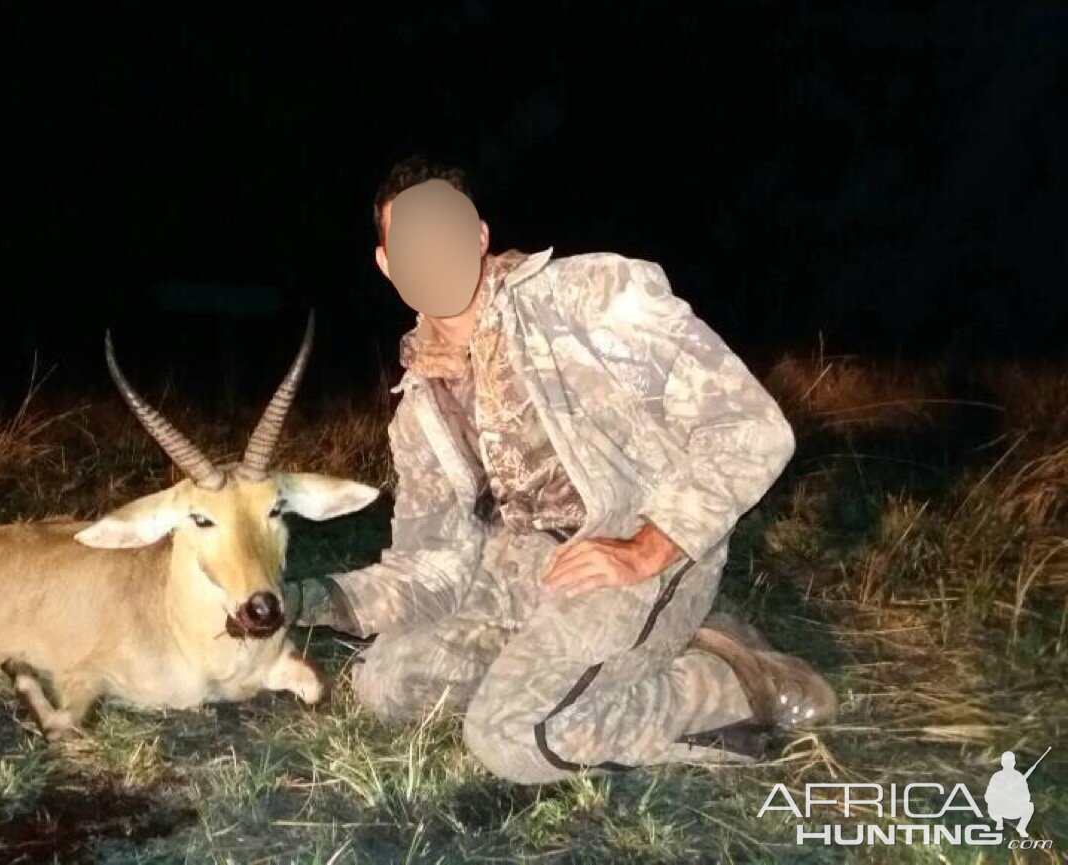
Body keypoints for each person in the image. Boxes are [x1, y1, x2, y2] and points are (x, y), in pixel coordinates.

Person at [285, 155, 837, 783]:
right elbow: (429, 566)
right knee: (388, 685)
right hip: (523, 572)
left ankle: (732, 680)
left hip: (638, 553)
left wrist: (649, 546)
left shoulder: (592, 299)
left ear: (481, 235)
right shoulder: (419, 408)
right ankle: (599, 664)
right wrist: (304, 598)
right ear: (387, 264)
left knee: (512, 737)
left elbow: (751, 427)